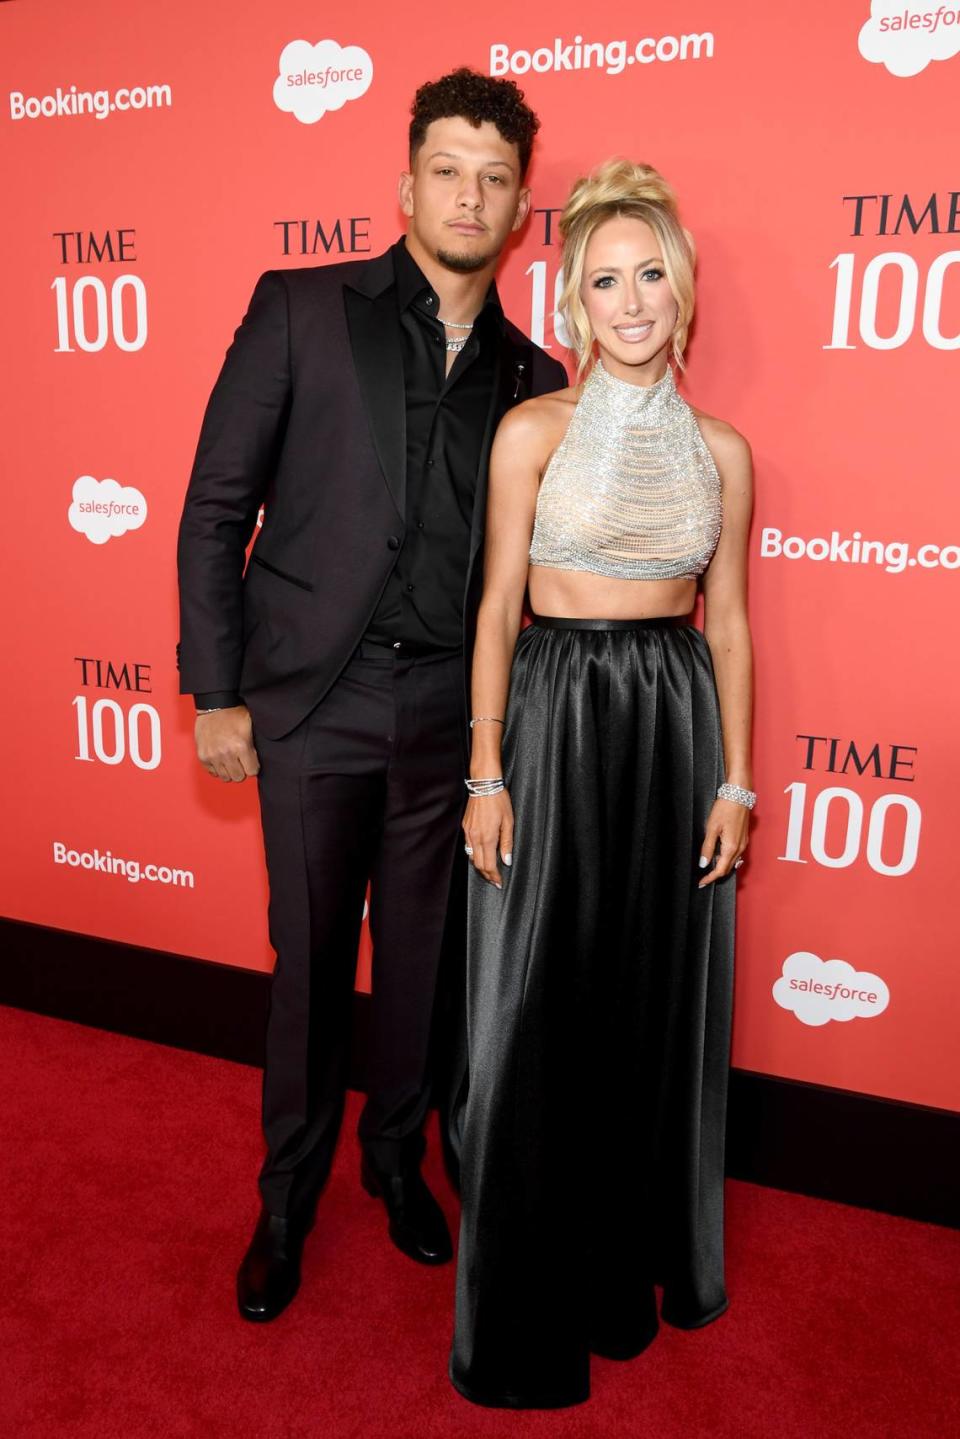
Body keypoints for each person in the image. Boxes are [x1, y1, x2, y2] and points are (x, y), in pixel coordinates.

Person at [176, 68, 567, 1324]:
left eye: (494, 178)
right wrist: (216, 692)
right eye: (449, 169)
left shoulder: (532, 373)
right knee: (306, 971)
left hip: (453, 719)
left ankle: (395, 1163)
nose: (470, 193)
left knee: (423, 968)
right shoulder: (300, 307)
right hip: (307, 702)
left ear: (520, 212)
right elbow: (214, 510)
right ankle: (285, 1200)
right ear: (406, 185)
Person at [450, 159, 755, 1407]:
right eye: (604, 280)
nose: (631, 301)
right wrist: (483, 765)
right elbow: (493, 608)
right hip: (552, 711)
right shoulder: (533, 429)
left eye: (650, 276)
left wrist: (738, 784)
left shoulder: (729, 454)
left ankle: (629, 1266)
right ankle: (526, 1290)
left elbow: (728, 623)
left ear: (681, 292)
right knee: (531, 1006)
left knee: (646, 1000)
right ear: (571, 300)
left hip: (673, 722)